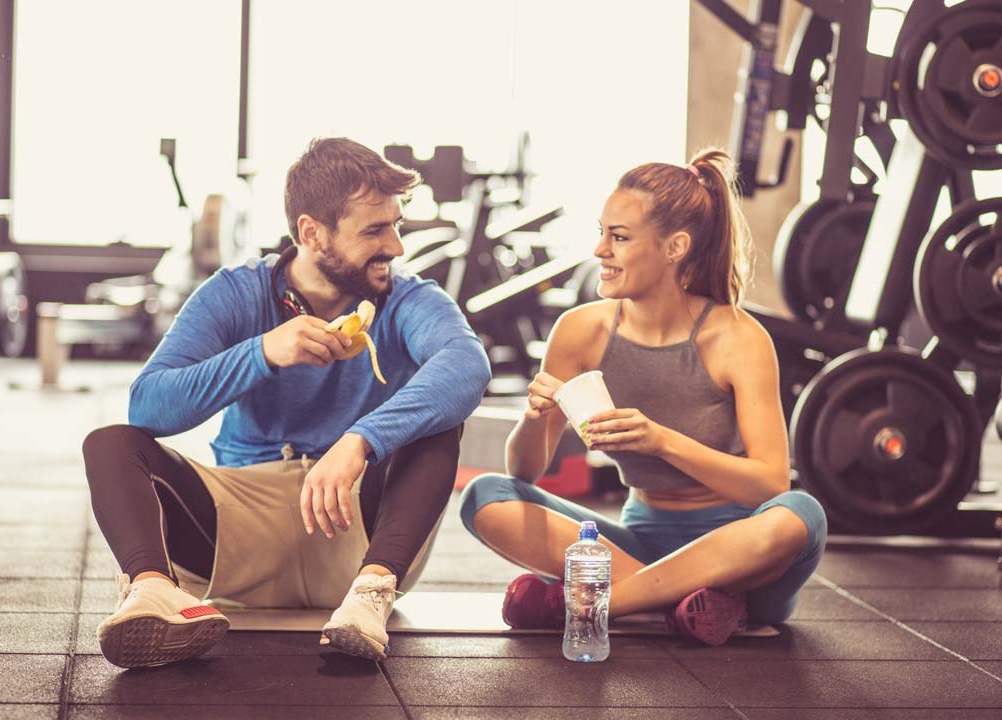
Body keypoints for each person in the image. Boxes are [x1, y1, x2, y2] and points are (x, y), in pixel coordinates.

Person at [83, 137, 491, 667]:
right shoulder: (236, 293)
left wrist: (361, 440)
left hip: (360, 537)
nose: (395, 246)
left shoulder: (408, 298)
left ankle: (370, 598)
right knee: (112, 443)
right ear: (310, 232)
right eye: (374, 230)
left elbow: (468, 365)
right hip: (237, 531)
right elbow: (148, 407)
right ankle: (154, 592)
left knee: (439, 421)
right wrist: (263, 352)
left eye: (396, 225)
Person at [459, 149, 826, 645]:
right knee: (487, 496)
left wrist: (661, 441)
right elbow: (524, 473)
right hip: (638, 544)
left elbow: (770, 485)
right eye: (601, 233)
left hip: (738, 557)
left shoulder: (738, 338)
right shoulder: (578, 331)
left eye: (619, 238)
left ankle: (602, 605)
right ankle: (675, 605)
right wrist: (533, 416)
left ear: (674, 247)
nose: (599, 251)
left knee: (801, 515)